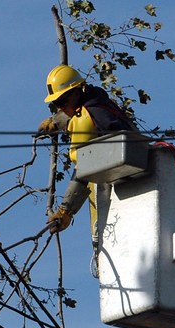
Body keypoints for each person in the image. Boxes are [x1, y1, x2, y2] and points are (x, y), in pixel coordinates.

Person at [37, 64, 136, 233]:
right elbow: (81, 108)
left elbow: (84, 168)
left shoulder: (85, 120)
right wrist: (56, 121)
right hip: (133, 159)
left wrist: (66, 210)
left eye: (62, 102)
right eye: (56, 103)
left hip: (127, 181)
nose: (59, 107)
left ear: (77, 91)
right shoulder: (98, 99)